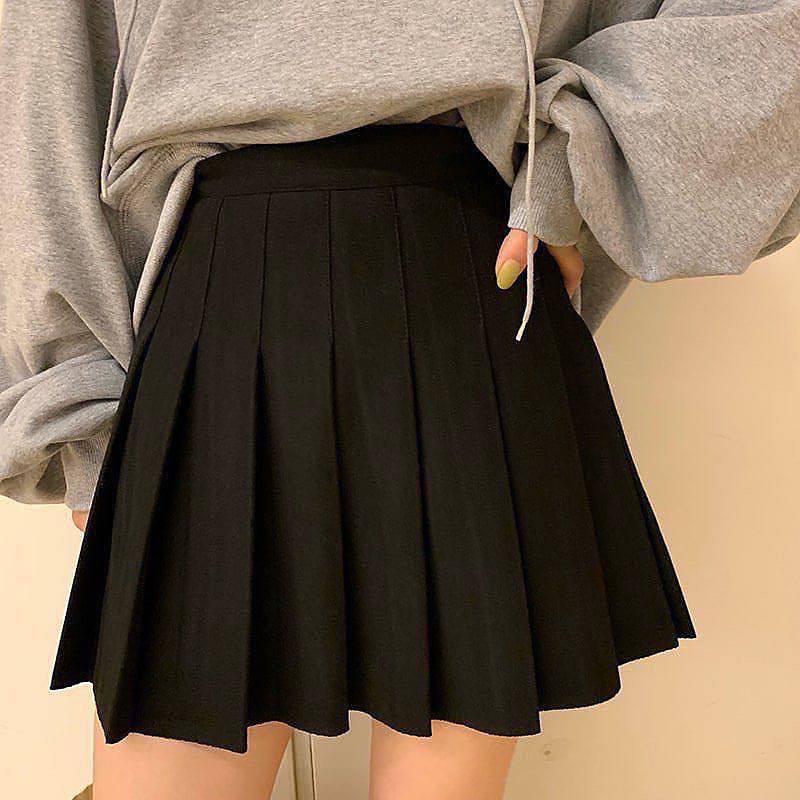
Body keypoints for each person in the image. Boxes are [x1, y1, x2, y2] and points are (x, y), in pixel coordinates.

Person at [1, 2, 798, 799]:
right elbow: (47, 79)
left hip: (464, 266)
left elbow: (760, 34)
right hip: (223, 285)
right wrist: (73, 398)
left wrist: (575, 162)